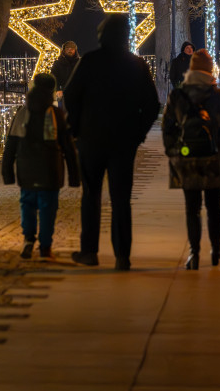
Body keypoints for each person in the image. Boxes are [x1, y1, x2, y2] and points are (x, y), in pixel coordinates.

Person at [63, 16, 161, 271]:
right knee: (120, 199)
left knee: (91, 196)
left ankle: (89, 251)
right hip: (123, 142)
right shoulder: (137, 65)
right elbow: (152, 105)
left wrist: (76, 127)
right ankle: (122, 255)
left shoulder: (90, 62)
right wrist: (137, 134)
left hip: (92, 139)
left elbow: (71, 96)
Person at [162, 49, 220, 270]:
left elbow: (168, 128)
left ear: (191, 68)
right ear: (209, 69)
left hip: (187, 160)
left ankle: (194, 254)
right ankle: (216, 248)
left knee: (191, 208)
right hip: (215, 160)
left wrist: (174, 152)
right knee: (215, 206)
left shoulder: (178, 95)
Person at [2, 73, 80, 260]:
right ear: (51, 90)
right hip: (50, 168)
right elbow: (69, 148)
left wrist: (7, 173)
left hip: (26, 168)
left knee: (27, 204)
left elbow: (11, 145)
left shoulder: (22, 113)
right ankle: (45, 247)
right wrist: (75, 176)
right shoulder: (56, 114)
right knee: (48, 207)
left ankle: (28, 239)